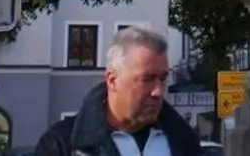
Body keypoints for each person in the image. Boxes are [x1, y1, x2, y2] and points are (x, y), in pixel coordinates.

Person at [35, 26, 203, 156]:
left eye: (163, 79)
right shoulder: (61, 144)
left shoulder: (184, 140)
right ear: (112, 80)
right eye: (147, 79)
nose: (158, 92)